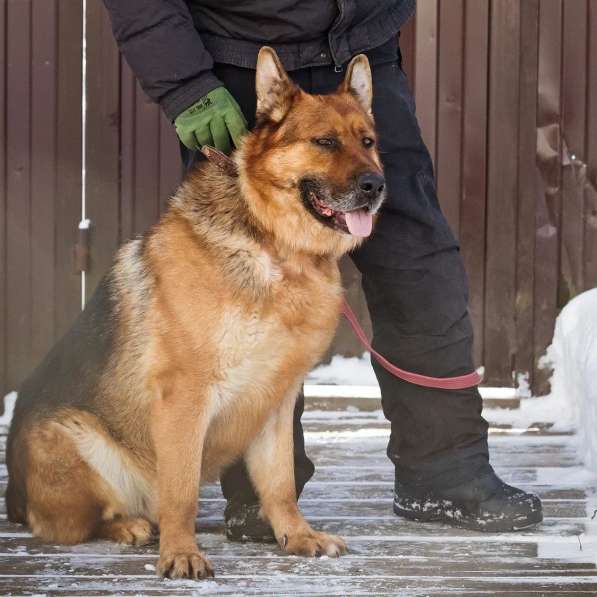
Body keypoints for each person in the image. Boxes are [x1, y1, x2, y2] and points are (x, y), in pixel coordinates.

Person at [102, 0, 543, 537]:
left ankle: (445, 472)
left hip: (358, 44)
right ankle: (261, 498)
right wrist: (184, 82)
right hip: (237, 59)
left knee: (417, 259)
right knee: (237, 284)